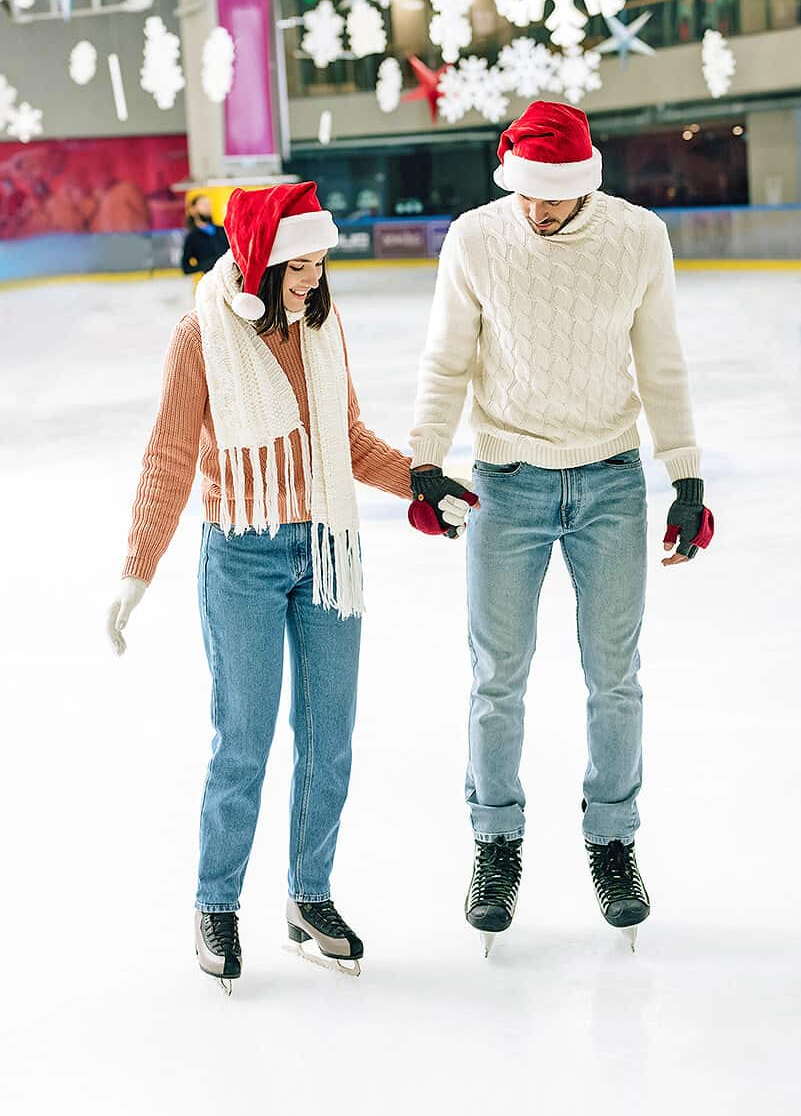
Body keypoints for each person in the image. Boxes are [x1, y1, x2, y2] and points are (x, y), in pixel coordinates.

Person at [407, 101, 715, 955]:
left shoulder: (637, 237)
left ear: (586, 183)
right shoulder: (474, 239)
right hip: (505, 482)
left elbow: (660, 361)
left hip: (611, 480)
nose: (540, 211)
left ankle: (611, 840)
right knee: (496, 676)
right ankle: (495, 842)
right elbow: (445, 358)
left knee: (613, 676)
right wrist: (427, 462)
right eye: (529, 195)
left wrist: (684, 474)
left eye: (557, 196)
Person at [106, 182, 422, 989]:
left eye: (320, 264)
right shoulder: (199, 336)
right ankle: (216, 903)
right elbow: (170, 458)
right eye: (299, 265)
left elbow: (346, 441)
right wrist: (135, 571)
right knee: (242, 742)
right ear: (260, 258)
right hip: (239, 556)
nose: (313, 279)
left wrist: (422, 483)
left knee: (329, 739)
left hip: (324, 548)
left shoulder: (323, 327)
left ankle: (308, 897)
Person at [181, 193, 229, 277]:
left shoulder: (223, 230)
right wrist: (206, 265)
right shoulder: (192, 237)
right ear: (193, 209)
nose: (207, 207)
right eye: (203, 204)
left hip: (229, 276)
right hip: (210, 280)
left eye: (209, 204)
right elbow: (186, 268)